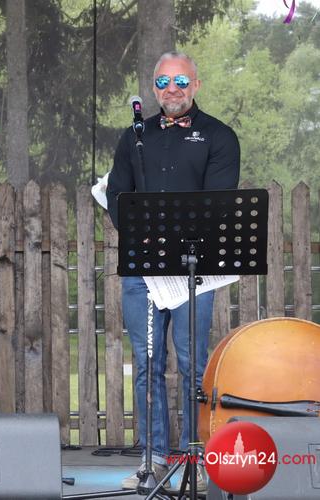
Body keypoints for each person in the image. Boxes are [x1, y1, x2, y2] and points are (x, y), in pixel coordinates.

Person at [106, 52, 240, 490]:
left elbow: (218, 203)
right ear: (154, 87)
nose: (173, 89)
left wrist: (174, 238)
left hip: (193, 269)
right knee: (147, 363)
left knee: (191, 363)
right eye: (164, 82)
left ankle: (193, 460)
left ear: (196, 85)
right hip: (142, 270)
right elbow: (116, 195)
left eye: (181, 80)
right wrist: (139, 233)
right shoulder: (135, 136)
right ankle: (153, 460)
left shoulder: (219, 136)